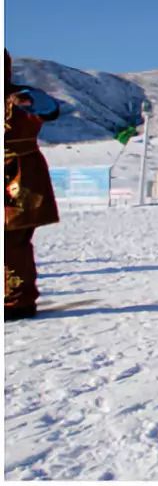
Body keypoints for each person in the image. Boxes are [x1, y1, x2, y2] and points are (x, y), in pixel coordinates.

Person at [5, 49, 62, 320]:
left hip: (19, 173)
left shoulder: (21, 95)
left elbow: (51, 110)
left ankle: (17, 301)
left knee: (12, 239)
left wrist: (33, 102)